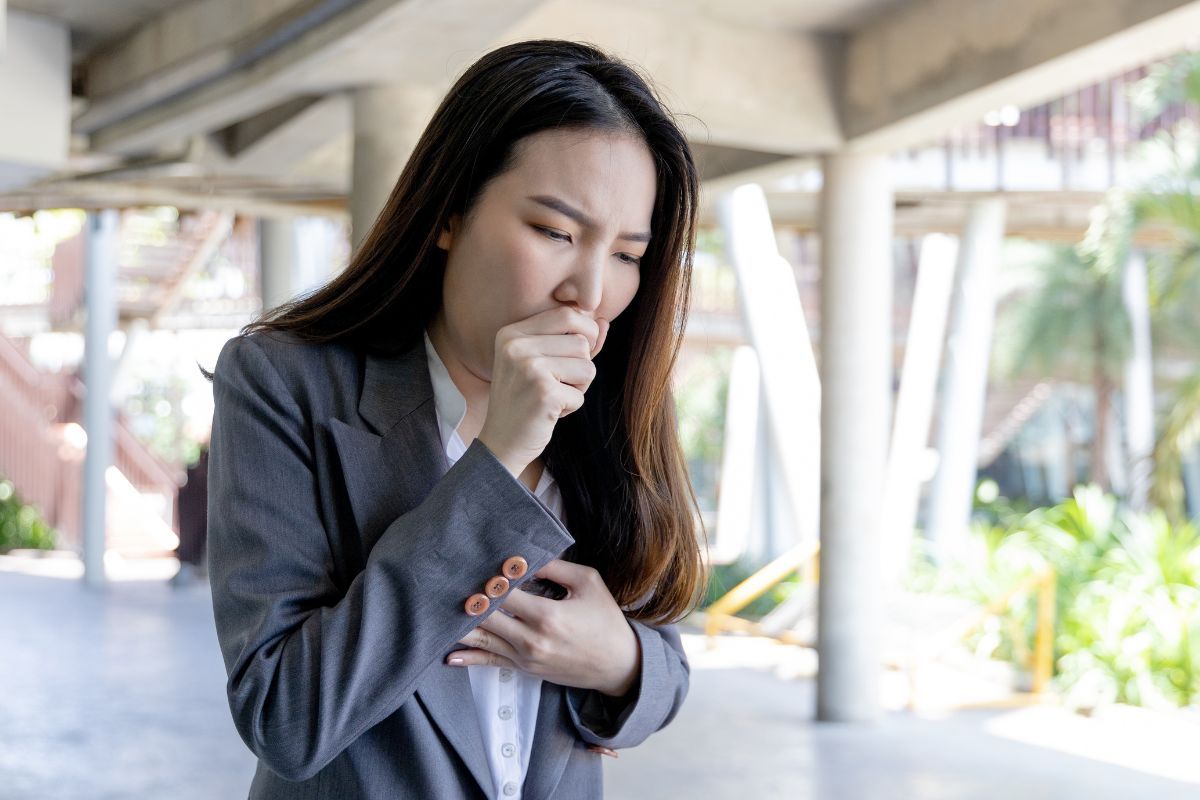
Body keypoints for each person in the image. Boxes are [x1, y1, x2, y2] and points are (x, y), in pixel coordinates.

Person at [205, 38, 706, 799]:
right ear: (450, 212)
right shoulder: (285, 383)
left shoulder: (609, 406)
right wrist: (498, 459)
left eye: (629, 254)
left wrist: (622, 663)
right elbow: (285, 715)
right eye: (555, 232)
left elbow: (664, 659)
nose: (591, 290)